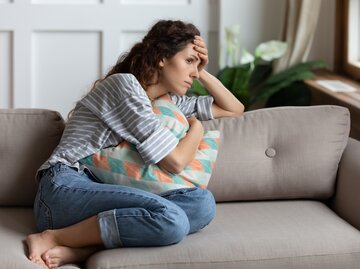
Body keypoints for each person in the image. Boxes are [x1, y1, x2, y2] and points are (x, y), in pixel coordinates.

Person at [26, 19, 244, 269]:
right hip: (64, 189)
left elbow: (234, 109)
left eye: (197, 65)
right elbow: (175, 162)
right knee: (172, 220)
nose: (193, 73)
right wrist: (197, 128)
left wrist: (202, 71)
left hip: (103, 190)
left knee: (201, 204)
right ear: (162, 57)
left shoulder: (166, 102)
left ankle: (86, 248)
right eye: (188, 61)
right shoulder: (125, 86)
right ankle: (52, 237)